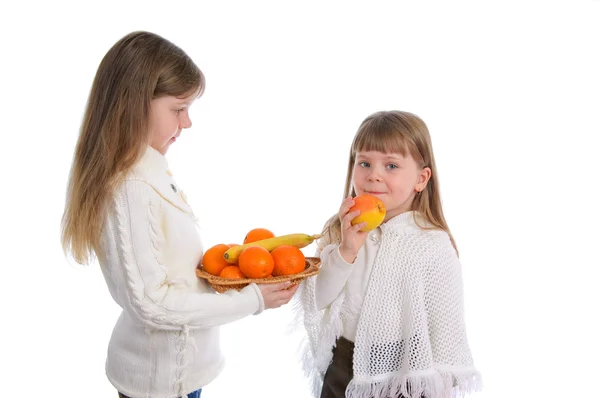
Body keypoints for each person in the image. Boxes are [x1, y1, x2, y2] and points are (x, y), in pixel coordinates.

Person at [61, 31, 298, 398]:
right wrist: (253, 300)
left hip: (178, 377)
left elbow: (166, 267)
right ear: (135, 103)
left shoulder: (149, 171)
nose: (187, 123)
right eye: (178, 109)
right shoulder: (133, 188)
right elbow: (152, 303)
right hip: (163, 385)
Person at [297, 111, 481, 398]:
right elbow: (319, 298)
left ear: (421, 179)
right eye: (364, 163)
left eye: (391, 165)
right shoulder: (341, 228)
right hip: (344, 361)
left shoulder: (431, 243)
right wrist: (347, 249)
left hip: (406, 369)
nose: (374, 175)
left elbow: (445, 325)